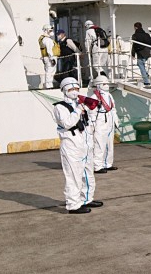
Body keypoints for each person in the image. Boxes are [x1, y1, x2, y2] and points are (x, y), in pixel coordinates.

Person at [53, 77, 102, 214]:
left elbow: (88, 123)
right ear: (64, 90)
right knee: (74, 176)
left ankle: (86, 198)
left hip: (85, 144)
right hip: (71, 145)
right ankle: (73, 204)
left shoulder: (80, 104)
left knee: (88, 174)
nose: (74, 92)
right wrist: (78, 110)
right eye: (71, 89)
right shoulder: (60, 107)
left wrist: (90, 109)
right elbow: (67, 123)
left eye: (76, 88)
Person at [88, 75, 118, 174]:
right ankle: (97, 166)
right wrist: (92, 126)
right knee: (99, 144)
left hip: (109, 119)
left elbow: (113, 108)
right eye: (104, 84)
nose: (107, 86)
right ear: (99, 85)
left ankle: (108, 163)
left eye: (107, 83)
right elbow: (92, 113)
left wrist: (115, 120)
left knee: (109, 144)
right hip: (100, 120)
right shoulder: (94, 97)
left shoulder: (109, 95)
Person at [38, 25, 57, 89]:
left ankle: (49, 84)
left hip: (46, 57)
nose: (51, 32)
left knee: (50, 71)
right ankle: (49, 85)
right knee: (50, 71)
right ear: (46, 30)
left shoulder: (44, 39)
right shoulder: (47, 40)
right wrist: (52, 59)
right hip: (50, 57)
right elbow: (49, 50)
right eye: (50, 30)